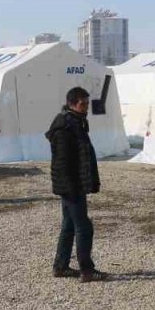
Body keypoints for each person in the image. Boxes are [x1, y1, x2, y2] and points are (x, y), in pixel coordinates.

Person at [47, 86, 108, 282]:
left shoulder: (76, 122)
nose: (86, 107)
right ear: (72, 103)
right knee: (84, 227)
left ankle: (61, 266)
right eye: (83, 103)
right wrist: (71, 187)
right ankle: (87, 270)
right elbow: (62, 162)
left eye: (88, 103)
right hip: (71, 187)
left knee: (69, 226)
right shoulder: (66, 127)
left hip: (73, 185)